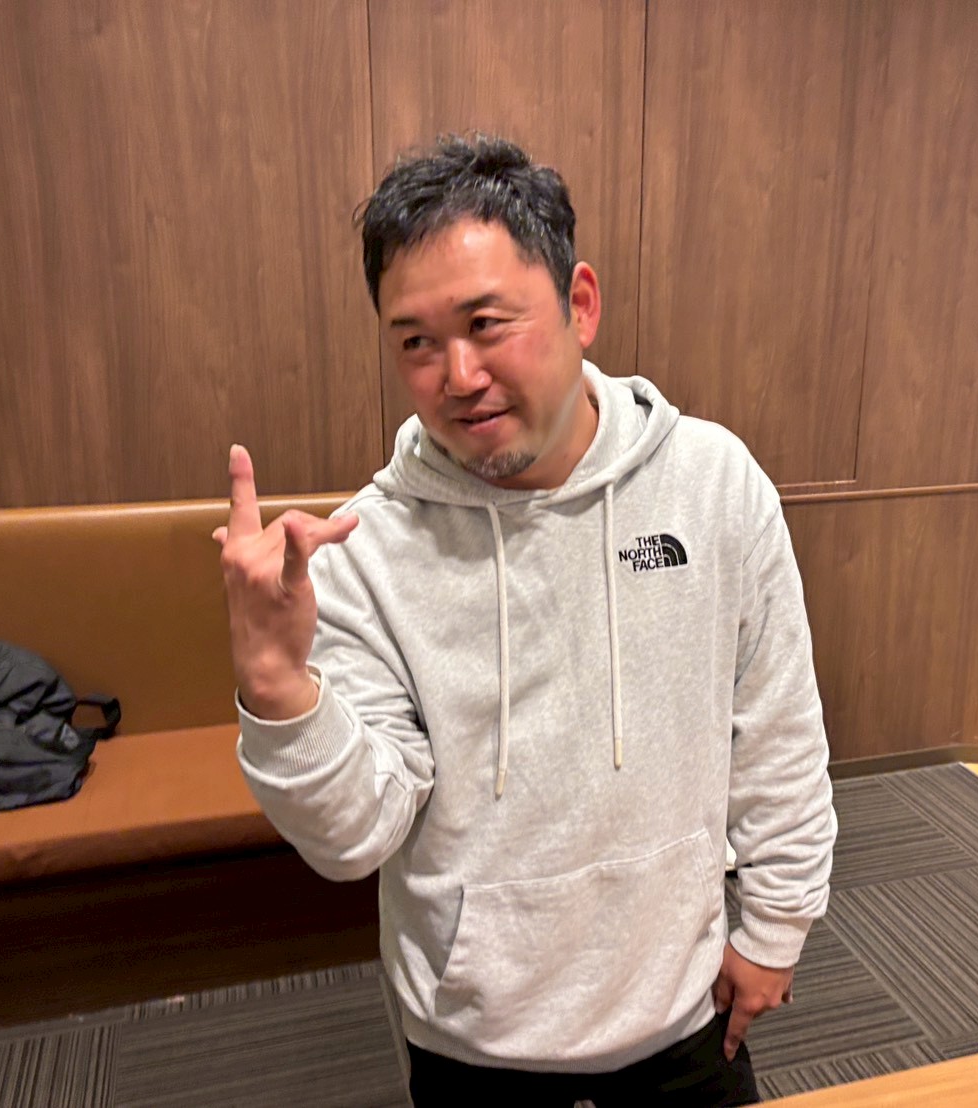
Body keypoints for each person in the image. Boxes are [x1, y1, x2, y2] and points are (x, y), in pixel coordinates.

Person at [218, 134, 836, 1107]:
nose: (456, 375)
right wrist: (277, 687)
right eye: (415, 341)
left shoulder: (712, 484)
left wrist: (776, 926)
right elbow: (352, 837)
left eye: (485, 324)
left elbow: (776, 729)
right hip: (475, 1042)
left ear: (579, 303)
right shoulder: (368, 548)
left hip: (682, 1010)